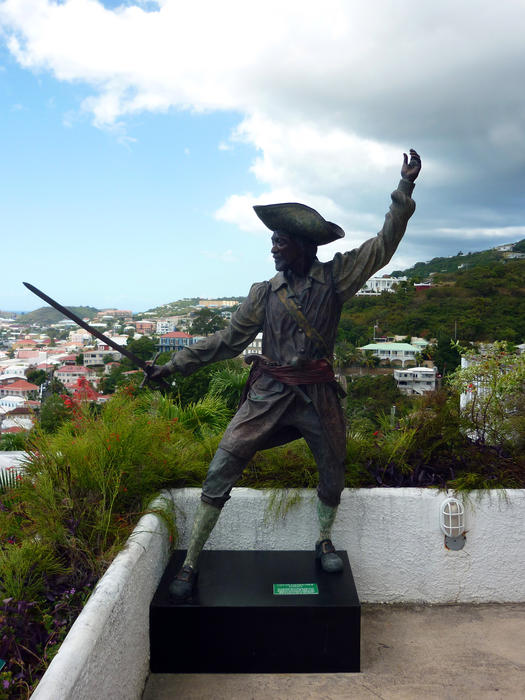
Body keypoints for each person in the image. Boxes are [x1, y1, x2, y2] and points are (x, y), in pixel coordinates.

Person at [149, 149, 421, 599]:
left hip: (317, 392)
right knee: (224, 462)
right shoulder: (264, 294)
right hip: (270, 391)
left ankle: (323, 539)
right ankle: (192, 560)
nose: (272, 248)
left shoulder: (334, 279)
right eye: (272, 241)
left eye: (280, 241)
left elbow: (382, 245)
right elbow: (227, 340)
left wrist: (404, 189)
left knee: (333, 467)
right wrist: (173, 365)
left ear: (301, 245)